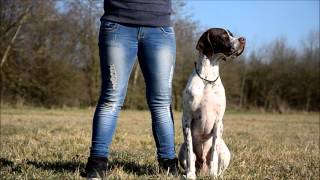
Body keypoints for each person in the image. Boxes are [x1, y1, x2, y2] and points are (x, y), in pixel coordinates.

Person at [84, 0, 178, 179]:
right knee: (111, 99)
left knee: (162, 103)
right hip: (118, 24)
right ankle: (96, 165)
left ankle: (168, 165)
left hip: (160, 28)